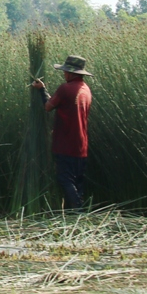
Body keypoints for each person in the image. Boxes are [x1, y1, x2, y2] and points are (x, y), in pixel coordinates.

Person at [31, 55, 93, 211]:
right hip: (81, 146)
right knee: (77, 181)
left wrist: (41, 90)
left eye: (65, 71)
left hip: (66, 143)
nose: (64, 74)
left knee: (65, 179)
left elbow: (48, 107)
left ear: (72, 73)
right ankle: (78, 215)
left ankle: (78, 211)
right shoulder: (86, 90)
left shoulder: (66, 88)